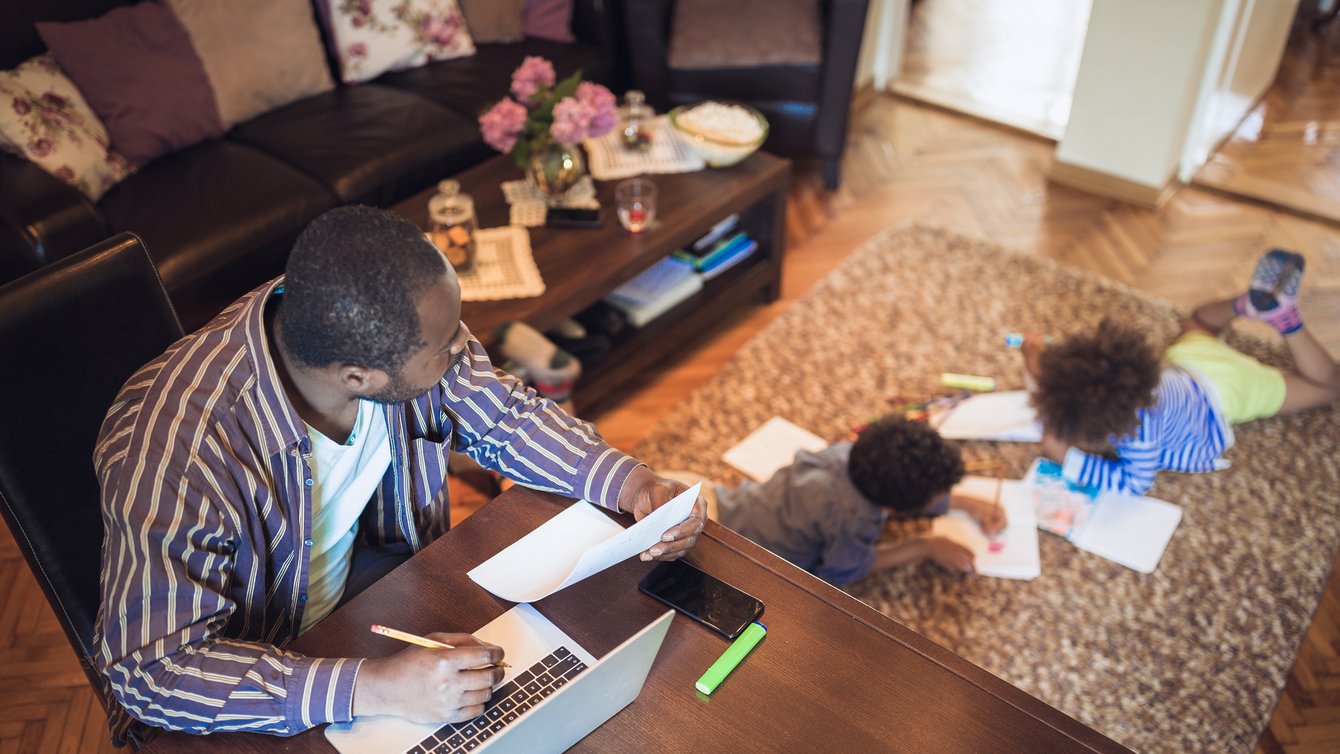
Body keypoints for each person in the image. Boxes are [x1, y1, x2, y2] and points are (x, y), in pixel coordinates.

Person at [92, 206, 706, 744]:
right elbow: (150, 672)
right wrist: (379, 688)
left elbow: (505, 419)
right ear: (358, 377)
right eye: (443, 347)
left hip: (386, 595)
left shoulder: (366, 318)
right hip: (266, 676)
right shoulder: (175, 446)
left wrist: (631, 484)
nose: (463, 346)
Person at [1022, 248, 1339, 497]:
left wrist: (1068, 458)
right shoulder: (1114, 381)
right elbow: (1051, 377)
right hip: (1189, 360)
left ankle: (1285, 320)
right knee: (1200, 321)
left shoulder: (1137, 436)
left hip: (1228, 391)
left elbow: (1134, 483)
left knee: (1326, 386)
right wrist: (1032, 354)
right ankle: (1247, 306)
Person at [678, 416, 1006, 586]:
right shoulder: (853, 519)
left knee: (671, 486)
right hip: (727, 549)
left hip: (718, 500)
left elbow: (900, 487)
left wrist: (962, 502)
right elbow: (846, 569)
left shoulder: (845, 454)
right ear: (893, 508)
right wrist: (924, 546)